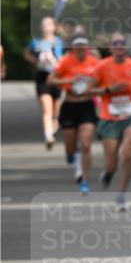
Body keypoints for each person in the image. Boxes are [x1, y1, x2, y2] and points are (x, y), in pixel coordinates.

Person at [89, 33, 131, 212]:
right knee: (111, 164)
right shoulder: (101, 66)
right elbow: (88, 90)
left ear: (126, 47)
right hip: (109, 117)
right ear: (111, 48)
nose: (120, 46)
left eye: (122, 43)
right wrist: (108, 89)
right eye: (116, 43)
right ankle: (108, 173)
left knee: (128, 154)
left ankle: (121, 195)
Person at [47, 34, 99, 194]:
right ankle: (71, 155)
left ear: (87, 48)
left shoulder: (94, 62)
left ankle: (84, 179)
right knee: (70, 145)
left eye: (83, 46)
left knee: (85, 144)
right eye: (78, 46)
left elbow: (103, 80)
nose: (81, 49)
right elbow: (50, 80)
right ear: (73, 48)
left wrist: (92, 86)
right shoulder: (65, 61)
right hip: (70, 105)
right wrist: (69, 81)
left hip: (87, 106)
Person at [22, 16, 64, 148]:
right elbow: (26, 53)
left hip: (56, 77)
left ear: (54, 27)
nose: (46, 27)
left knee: (56, 107)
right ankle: (48, 136)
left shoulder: (59, 42)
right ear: (41, 28)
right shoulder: (36, 42)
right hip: (42, 77)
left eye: (49, 25)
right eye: (44, 25)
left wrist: (56, 61)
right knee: (46, 108)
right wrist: (36, 62)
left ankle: (55, 120)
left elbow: (63, 58)